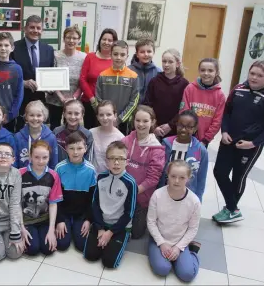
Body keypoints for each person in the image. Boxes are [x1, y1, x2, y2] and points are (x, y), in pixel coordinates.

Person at [213, 60, 264, 224]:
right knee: (219, 172)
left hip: (250, 146)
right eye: (252, 73)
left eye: (260, 75)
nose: (254, 78)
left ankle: (230, 209)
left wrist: (253, 143)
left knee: (238, 177)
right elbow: (226, 112)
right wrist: (224, 131)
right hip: (228, 141)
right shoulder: (238, 89)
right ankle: (233, 208)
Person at [84, 141, 136, 268]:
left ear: (127, 161)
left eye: (120, 159)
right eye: (112, 158)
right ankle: (104, 239)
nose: (116, 163)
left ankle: (122, 238)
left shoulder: (130, 183)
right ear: (106, 161)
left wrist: (110, 232)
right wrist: (100, 228)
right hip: (101, 223)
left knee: (109, 263)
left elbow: (129, 213)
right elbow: (95, 204)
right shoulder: (101, 177)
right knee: (90, 256)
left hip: (119, 227)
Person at [148, 160, 201, 282]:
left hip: (180, 240)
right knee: (162, 269)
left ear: (188, 178)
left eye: (182, 177)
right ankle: (171, 258)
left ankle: (192, 252)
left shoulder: (194, 202)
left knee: (187, 274)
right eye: (173, 176)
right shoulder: (157, 195)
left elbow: (193, 228)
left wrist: (178, 248)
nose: (177, 181)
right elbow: (151, 222)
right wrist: (161, 243)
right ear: (168, 175)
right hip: (159, 238)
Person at [121, 105, 165, 239]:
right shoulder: (125, 141)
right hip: (122, 193)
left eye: (145, 121)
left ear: (152, 122)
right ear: (133, 121)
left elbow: (153, 178)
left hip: (141, 198)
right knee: (118, 226)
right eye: (138, 120)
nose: (141, 124)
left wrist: (133, 191)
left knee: (136, 233)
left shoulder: (157, 148)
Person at [11, 15, 55, 132]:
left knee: (39, 135)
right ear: (25, 29)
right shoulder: (13, 48)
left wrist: (51, 86)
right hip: (20, 101)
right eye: (32, 27)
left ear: (42, 30)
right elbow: (9, 75)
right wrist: (23, 83)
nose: (35, 31)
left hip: (41, 102)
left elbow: (50, 73)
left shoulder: (49, 50)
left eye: (38, 28)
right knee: (20, 134)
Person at [54, 132, 97, 252]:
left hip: (81, 214)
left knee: (82, 246)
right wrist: (60, 220)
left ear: (85, 149)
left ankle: (77, 227)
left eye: (79, 148)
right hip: (64, 212)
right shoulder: (59, 168)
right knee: (62, 245)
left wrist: (88, 219)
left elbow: (92, 199)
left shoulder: (91, 170)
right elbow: (55, 198)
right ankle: (66, 225)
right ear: (66, 149)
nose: (75, 152)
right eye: (71, 148)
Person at [20, 140, 63, 256]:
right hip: (26, 221)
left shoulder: (53, 175)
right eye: (36, 157)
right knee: (33, 250)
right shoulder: (20, 174)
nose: (40, 161)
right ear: (30, 157)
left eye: (45, 157)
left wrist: (51, 230)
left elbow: (53, 204)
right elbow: (16, 204)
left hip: (44, 220)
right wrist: (21, 228)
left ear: (49, 157)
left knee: (48, 250)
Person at [158, 110, 208, 202]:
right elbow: (158, 171)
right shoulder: (166, 144)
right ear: (176, 125)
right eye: (181, 125)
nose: (184, 129)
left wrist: (198, 199)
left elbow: (201, 178)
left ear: (195, 128)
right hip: (165, 194)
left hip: (187, 198)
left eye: (189, 127)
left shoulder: (201, 151)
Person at [95, 40, 139, 135]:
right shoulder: (102, 75)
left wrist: (119, 119)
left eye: (122, 55)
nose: (118, 58)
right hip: (105, 120)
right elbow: (98, 98)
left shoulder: (134, 76)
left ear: (127, 56)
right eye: (115, 54)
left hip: (124, 121)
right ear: (110, 55)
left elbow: (134, 101)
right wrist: (105, 116)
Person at [179, 58, 226, 147]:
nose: (206, 73)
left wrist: (206, 140)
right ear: (199, 71)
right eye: (203, 70)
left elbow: (217, 121)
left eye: (210, 70)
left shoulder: (220, 95)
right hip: (186, 135)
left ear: (216, 73)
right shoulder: (190, 89)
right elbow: (183, 111)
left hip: (203, 140)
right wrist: (187, 131)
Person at [46, 27, 87, 129]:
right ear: (64, 39)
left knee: (71, 128)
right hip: (55, 100)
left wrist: (73, 98)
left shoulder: (84, 57)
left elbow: (84, 80)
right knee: (54, 127)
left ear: (79, 40)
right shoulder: (55, 55)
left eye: (74, 38)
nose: (71, 40)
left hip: (74, 101)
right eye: (68, 37)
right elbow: (52, 78)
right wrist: (62, 98)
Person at [144, 49, 189, 139]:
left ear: (177, 64)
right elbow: (147, 105)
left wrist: (171, 125)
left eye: (170, 62)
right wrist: (154, 126)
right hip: (155, 128)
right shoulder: (154, 81)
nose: (166, 65)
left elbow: (184, 109)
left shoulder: (184, 84)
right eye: (164, 61)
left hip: (174, 129)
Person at [0, 32, 24, 133]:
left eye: (6, 45)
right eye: (0, 45)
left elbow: (19, 94)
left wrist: (10, 115)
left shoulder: (17, 69)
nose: (3, 48)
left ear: (12, 48)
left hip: (10, 117)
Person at [79, 28, 118, 129]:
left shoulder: (117, 60)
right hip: (89, 102)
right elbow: (82, 79)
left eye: (110, 40)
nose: (106, 42)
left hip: (108, 106)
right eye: (104, 39)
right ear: (100, 40)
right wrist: (92, 99)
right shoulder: (90, 57)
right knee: (90, 132)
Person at [15, 100, 58, 169]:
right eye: (31, 115)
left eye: (39, 115)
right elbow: (15, 161)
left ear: (44, 117)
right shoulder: (18, 137)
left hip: (45, 178)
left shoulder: (51, 138)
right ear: (26, 117)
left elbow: (54, 162)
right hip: (22, 177)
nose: (35, 118)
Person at [88, 100, 125, 173]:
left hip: (110, 178)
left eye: (108, 114)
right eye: (101, 115)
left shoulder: (120, 138)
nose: (105, 118)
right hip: (92, 177)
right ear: (97, 117)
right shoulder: (91, 133)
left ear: (115, 116)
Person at [128, 38, 162, 103]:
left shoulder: (158, 72)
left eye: (149, 51)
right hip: (132, 107)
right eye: (142, 52)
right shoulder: (129, 70)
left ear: (153, 52)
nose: (146, 54)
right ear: (137, 54)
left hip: (150, 109)